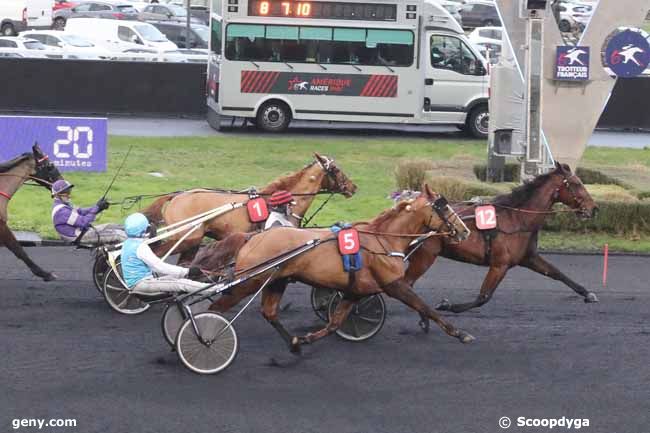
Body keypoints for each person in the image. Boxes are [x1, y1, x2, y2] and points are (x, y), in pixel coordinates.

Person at [121, 213, 205, 295]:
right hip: (144, 284)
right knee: (182, 284)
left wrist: (182, 273)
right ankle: (215, 289)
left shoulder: (127, 243)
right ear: (145, 230)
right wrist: (187, 271)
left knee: (177, 277)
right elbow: (160, 267)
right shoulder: (141, 247)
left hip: (138, 283)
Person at [51, 179, 126, 245]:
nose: (69, 194)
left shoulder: (66, 204)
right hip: (78, 236)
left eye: (68, 191)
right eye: (66, 192)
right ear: (57, 195)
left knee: (111, 225)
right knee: (118, 235)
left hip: (83, 231)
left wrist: (99, 207)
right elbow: (83, 222)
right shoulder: (61, 211)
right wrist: (97, 208)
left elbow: (82, 212)